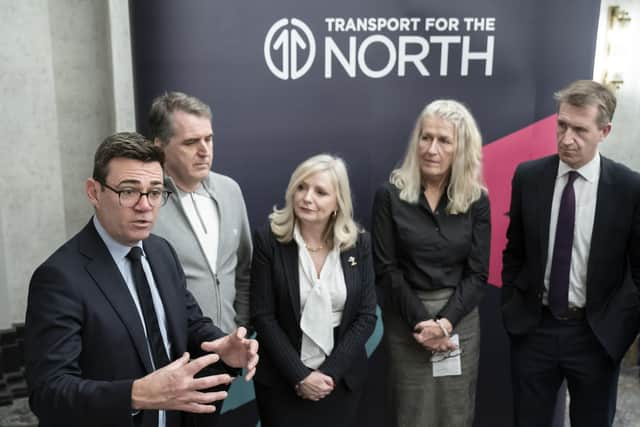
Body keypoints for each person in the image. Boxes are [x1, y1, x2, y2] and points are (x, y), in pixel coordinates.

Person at [24, 132, 259, 427]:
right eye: (128, 191)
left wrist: (222, 344)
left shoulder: (161, 252)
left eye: (155, 191)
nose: (145, 205)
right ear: (94, 192)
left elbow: (189, 324)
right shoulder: (59, 278)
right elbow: (49, 392)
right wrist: (135, 394)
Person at [502, 80, 640, 426]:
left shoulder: (629, 188)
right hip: (536, 330)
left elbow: (637, 272)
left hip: (595, 336)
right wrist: (513, 309)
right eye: (562, 125)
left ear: (604, 131)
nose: (566, 138)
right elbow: (514, 251)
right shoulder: (529, 177)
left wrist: (616, 332)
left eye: (580, 129)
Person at [372, 99, 490, 427]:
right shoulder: (390, 195)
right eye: (426, 137)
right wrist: (424, 325)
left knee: (454, 414)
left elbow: (478, 273)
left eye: (444, 140)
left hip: (459, 322)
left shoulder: (477, 201)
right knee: (411, 413)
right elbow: (386, 269)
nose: (432, 148)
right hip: (408, 321)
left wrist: (445, 325)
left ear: (461, 148)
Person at [250, 154, 377, 427]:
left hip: (340, 382)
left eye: (320, 192)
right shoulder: (268, 240)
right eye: (301, 187)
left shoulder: (358, 244)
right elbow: (263, 316)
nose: (307, 198)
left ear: (337, 202)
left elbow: (366, 316)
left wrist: (328, 375)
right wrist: (301, 376)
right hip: (283, 381)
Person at [149, 91, 252, 336]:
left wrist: (242, 328)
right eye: (191, 142)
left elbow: (245, 270)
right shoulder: (146, 201)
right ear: (160, 147)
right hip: (175, 357)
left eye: (209, 139)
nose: (204, 150)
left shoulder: (230, 190)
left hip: (232, 349)